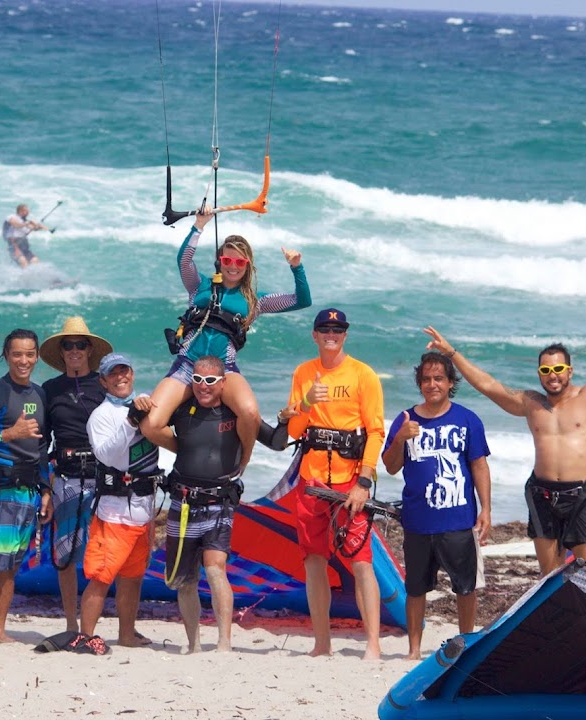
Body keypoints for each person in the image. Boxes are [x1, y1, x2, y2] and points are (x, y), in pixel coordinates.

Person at [424, 326, 586, 578]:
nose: (552, 375)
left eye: (558, 369)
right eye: (545, 370)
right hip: (542, 495)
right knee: (550, 576)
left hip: (582, 496)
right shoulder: (531, 403)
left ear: (569, 371)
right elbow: (488, 385)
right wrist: (451, 353)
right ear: (539, 374)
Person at [142, 206, 311, 472]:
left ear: (248, 266)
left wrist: (296, 267)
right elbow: (184, 262)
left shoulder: (255, 301)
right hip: (187, 366)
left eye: (240, 263)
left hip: (225, 370)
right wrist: (199, 226)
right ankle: (187, 450)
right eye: (227, 260)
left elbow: (302, 300)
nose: (233, 266)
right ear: (219, 261)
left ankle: (242, 462)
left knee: (250, 413)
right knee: (150, 425)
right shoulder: (199, 286)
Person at [286, 308, 385, 660]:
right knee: (314, 561)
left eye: (337, 330)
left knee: (361, 562)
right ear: (314, 335)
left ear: (345, 335)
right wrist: (306, 402)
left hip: (349, 481)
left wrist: (364, 483)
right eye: (325, 329)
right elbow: (294, 430)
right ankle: (322, 644)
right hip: (312, 480)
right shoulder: (303, 372)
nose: (331, 334)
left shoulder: (363, 374)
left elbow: (375, 432)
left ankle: (373, 644)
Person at [382, 352, 491, 660]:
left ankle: (465, 644)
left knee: (465, 587)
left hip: (458, 519)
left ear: (450, 383)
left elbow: (479, 466)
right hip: (418, 521)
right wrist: (400, 439)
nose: (433, 384)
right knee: (416, 589)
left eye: (439, 378)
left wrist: (486, 509)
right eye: (427, 379)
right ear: (420, 384)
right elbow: (390, 466)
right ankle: (414, 650)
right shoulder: (405, 420)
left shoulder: (468, 419)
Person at [0, 329, 53, 643]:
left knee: (12, 564)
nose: (23, 360)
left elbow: (42, 447)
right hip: (1, 489)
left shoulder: (39, 394)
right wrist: (8, 434)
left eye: (29, 354)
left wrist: (46, 489)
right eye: (17, 354)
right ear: (6, 356)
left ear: (37, 356)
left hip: (28, 491)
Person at [157, 355, 247, 653]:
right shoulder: (182, 411)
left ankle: (224, 644)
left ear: (223, 383)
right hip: (182, 503)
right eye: (197, 379)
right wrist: (138, 408)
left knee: (215, 568)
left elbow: (275, 440)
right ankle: (194, 645)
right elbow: (150, 426)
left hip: (219, 504)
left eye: (210, 380)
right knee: (185, 581)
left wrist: (289, 418)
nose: (203, 386)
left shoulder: (236, 413)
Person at [80, 352, 161, 649]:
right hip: (115, 513)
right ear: (103, 381)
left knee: (133, 577)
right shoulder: (101, 416)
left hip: (143, 509)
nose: (120, 377)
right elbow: (107, 456)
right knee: (102, 576)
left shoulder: (145, 404)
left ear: (132, 373)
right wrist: (130, 420)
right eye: (112, 373)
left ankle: (127, 635)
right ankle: (86, 637)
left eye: (124, 370)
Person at [38, 316, 112, 633]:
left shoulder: (104, 385)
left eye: (80, 345)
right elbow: (41, 443)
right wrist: (44, 488)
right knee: (65, 556)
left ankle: (91, 625)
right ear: (61, 351)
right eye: (68, 345)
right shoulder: (49, 389)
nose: (74, 350)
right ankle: (70, 623)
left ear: (90, 349)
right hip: (66, 478)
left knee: (102, 554)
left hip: (102, 480)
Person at [2, 204, 48, 268]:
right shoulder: (11, 217)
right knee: (23, 262)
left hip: (24, 245)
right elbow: (16, 225)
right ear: (20, 211)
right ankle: (24, 274)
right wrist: (27, 223)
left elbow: (33, 228)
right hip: (14, 245)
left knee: (35, 261)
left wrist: (39, 227)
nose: (28, 213)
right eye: (26, 211)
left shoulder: (25, 221)